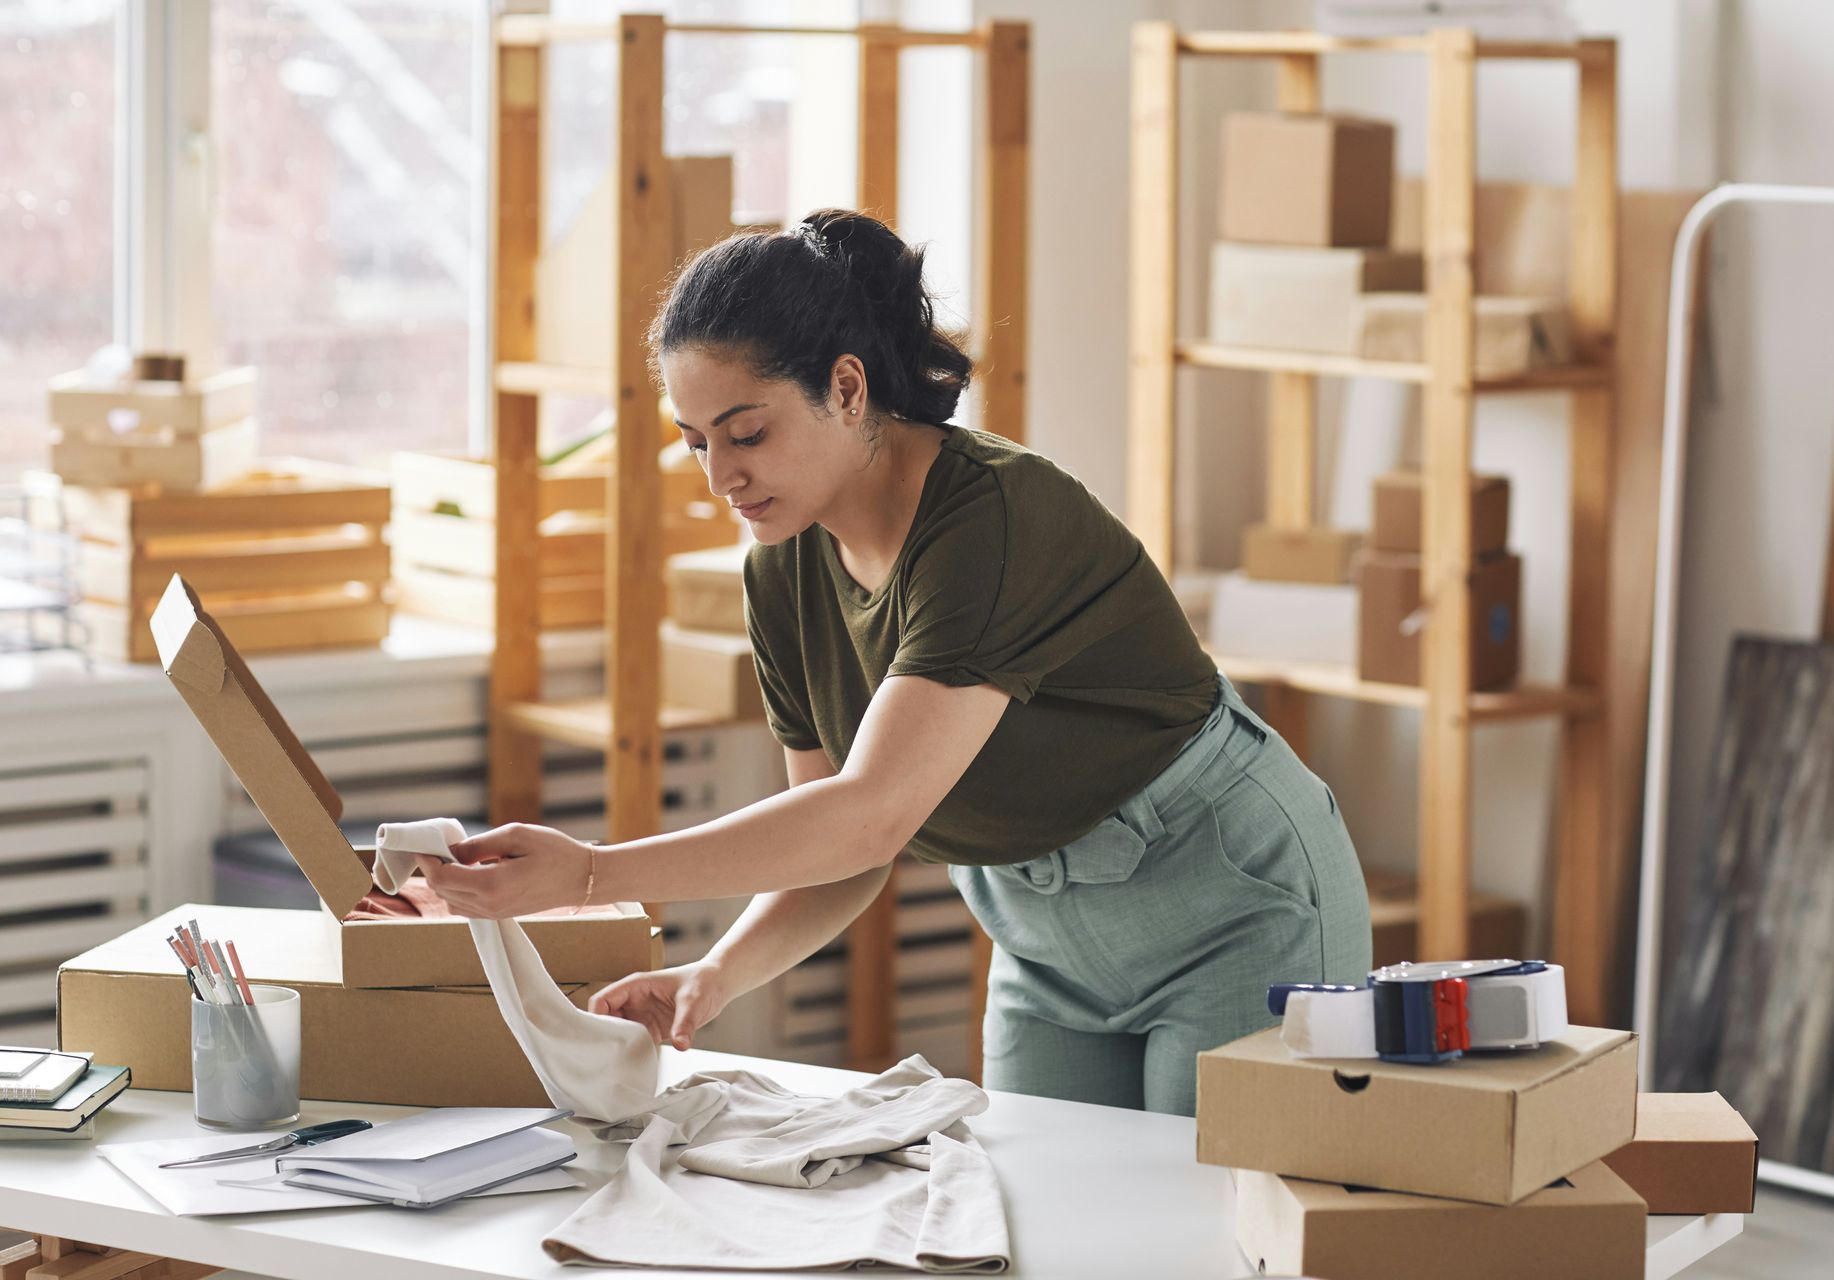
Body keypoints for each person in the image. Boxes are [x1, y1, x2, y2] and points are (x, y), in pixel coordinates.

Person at [420, 209, 1371, 1116]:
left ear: (846, 387)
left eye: (747, 434)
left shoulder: (990, 519)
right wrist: (713, 977)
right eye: (696, 442)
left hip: (1233, 902)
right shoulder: (781, 571)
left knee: (1210, 1236)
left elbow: (873, 816)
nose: (721, 477)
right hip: (1044, 950)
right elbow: (830, 845)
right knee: (1049, 1231)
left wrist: (592, 873)